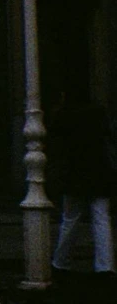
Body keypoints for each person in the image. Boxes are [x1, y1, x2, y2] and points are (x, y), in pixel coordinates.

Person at [53, 97, 116, 279]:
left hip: (76, 174)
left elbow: (59, 145)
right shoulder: (99, 119)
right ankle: (105, 266)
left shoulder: (68, 119)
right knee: (101, 219)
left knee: (70, 220)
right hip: (99, 173)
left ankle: (61, 261)